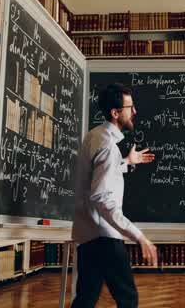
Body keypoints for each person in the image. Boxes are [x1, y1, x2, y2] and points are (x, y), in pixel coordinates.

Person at [70, 83, 157, 308]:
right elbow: (101, 197)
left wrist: (127, 162)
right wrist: (139, 236)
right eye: (130, 107)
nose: (135, 111)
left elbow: (97, 176)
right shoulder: (108, 146)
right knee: (128, 299)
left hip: (88, 234)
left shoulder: (95, 136)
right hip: (104, 237)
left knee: (86, 299)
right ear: (115, 113)